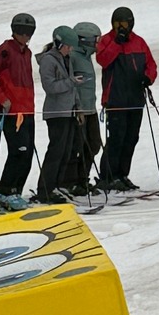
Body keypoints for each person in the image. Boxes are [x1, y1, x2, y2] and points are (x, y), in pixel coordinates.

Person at [97, 6, 157, 191]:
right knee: (116, 137)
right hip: (115, 99)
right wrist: (117, 42)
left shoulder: (139, 42)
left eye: (123, 24)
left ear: (130, 23)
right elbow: (103, 60)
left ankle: (122, 174)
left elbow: (151, 64)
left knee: (131, 137)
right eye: (117, 24)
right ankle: (108, 176)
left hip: (135, 98)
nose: (120, 27)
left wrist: (148, 77)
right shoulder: (107, 40)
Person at [0, 12, 37, 211]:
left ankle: (15, 192)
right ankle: (5, 192)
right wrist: (1, 98)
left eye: (30, 31)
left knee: (28, 153)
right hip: (13, 112)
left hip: (28, 110)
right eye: (23, 31)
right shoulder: (6, 50)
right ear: (15, 31)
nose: (27, 35)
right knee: (18, 152)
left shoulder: (27, 53)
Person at [34, 26, 80, 204]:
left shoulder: (64, 59)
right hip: (56, 113)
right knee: (56, 151)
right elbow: (50, 87)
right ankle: (45, 189)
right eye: (68, 46)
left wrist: (77, 106)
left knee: (66, 150)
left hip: (68, 111)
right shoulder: (48, 60)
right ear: (59, 43)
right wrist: (71, 82)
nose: (70, 50)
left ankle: (57, 186)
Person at [61, 22, 103, 197]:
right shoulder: (74, 57)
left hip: (90, 108)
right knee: (77, 146)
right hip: (79, 110)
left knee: (93, 143)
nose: (97, 44)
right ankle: (71, 182)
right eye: (96, 40)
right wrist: (76, 107)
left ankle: (82, 178)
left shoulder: (85, 57)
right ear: (84, 40)